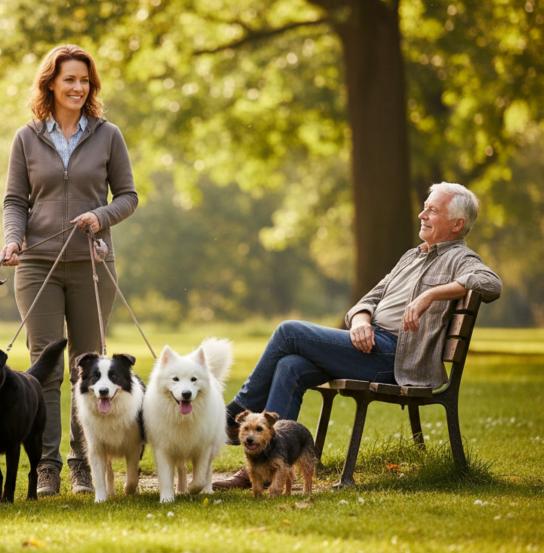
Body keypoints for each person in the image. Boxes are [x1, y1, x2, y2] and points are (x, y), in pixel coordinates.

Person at [213, 182, 502, 490]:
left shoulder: (459, 258)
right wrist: (362, 320)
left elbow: (490, 283)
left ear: (457, 224)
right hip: (368, 344)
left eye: (432, 210)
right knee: (290, 365)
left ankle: (230, 416)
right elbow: (368, 299)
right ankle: (261, 467)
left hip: (396, 358)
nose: (422, 214)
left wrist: (429, 295)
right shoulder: (412, 256)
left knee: (288, 331)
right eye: (424, 207)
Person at [0, 44, 138, 496]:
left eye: (85, 81)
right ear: (51, 84)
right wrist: (13, 239)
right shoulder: (27, 137)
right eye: (69, 80)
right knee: (47, 369)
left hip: (92, 265)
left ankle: (83, 462)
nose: (78, 87)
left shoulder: (108, 135)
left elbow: (128, 196)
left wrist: (101, 216)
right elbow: (15, 201)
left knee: (91, 370)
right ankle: (46, 466)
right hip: (37, 265)